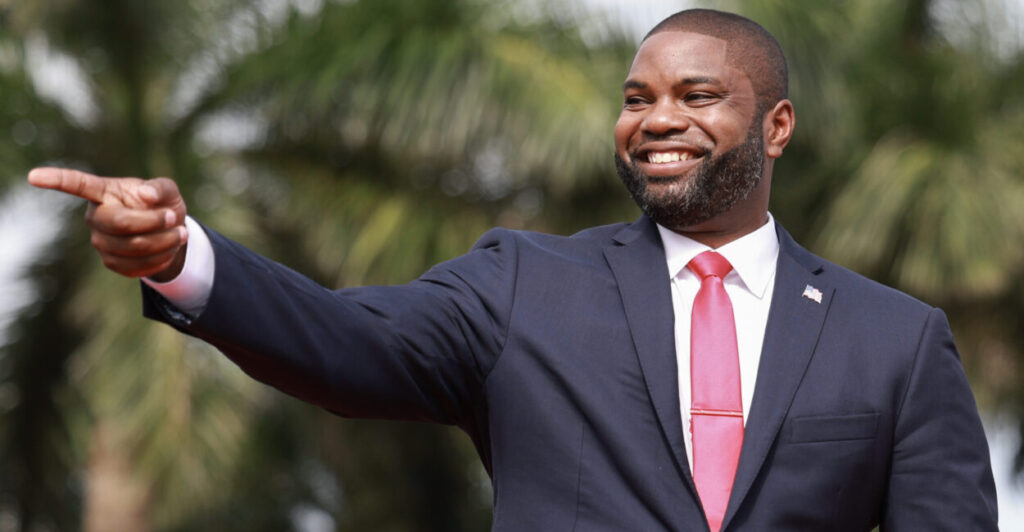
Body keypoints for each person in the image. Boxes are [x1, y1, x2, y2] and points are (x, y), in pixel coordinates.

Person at [28, 8, 998, 532]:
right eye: (636, 97)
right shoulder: (522, 284)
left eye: (697, 94)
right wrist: (181, 256)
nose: (657, 119)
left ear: (776, 126)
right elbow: (346, 345)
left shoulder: (894, 339)